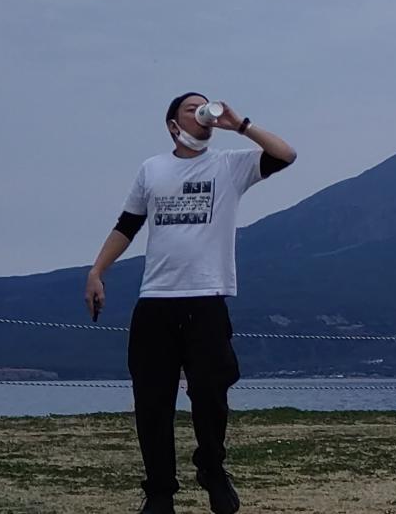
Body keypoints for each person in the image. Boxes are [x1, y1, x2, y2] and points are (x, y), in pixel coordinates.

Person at [85, 93, 297, 514]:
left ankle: (212, 470)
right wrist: (97, 272)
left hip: (206, 299)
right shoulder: (153, 169)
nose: (203, 112)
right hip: (156, 301)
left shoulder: (229, 166)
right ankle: (160, 491)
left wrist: (240, 124)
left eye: (206, 106)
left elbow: (285, 154)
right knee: (152, 399)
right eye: (191, 108)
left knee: (211, 393)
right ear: (172, 124)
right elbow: (127, 224)